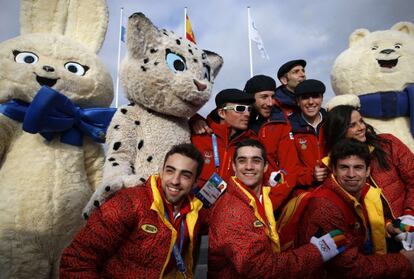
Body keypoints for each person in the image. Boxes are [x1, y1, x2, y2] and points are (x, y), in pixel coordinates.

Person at [60, 143, 207, 278]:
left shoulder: (195, 211)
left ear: (195, 182)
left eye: (185, 175)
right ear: (161, 171)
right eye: (170, 171)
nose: (175, 180)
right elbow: (76, 260)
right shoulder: (129, 203)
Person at [208, 139, 346, 278]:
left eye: (256, 161)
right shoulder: (232, 210)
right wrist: (317, 251)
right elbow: (258, 268)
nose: (249, 166)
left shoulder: (262, 197)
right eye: (242, 161)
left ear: (266, 167)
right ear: (234, 166)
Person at [297, 138, 414, 278]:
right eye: (344, 167)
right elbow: (350, 269)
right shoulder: (325, 208)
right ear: (333, 170)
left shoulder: (360, 193)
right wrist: (404, 260)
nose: (351, 175)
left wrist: (389, 226)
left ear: (368, 171)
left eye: (358, 167)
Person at [325, 105, 414, 219]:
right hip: (379, 231)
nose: (361, 127)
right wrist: (388, 226)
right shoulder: (336, 164)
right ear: (339, 131)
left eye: (361, 121)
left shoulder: (387, 144)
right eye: (352, 125)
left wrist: (410, 214)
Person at [191, 88, 256, 187]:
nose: (247, 114)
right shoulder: (199, 134)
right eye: (240, 109)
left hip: (231, 201)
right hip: (194, 201)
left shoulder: (252, 142)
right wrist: (194, 119)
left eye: (249, 109)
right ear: (221, 113)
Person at [289, 79, 328, 189]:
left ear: (321, 99)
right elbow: (288, 168)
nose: (311, 102)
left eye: (315, 96)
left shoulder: (332, 122)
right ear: (298, 101)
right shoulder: (289, 128)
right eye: (305, 97)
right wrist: (310, 175)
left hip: (334, 186)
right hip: (305, 190)